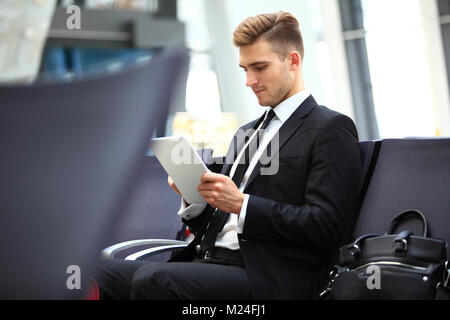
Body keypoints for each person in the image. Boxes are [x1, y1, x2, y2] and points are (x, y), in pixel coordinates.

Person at [95, 11, 362, 300]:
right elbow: (218, 224)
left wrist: (242, 204)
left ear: (293, 61)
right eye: (244, 69)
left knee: (153, 280)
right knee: (96, 271)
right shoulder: (247, 133)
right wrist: (196, 200)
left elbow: (329, 225)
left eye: (259, 67)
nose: (249, 80)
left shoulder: (329, 128)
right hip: (211, 261)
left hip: (270, 276)